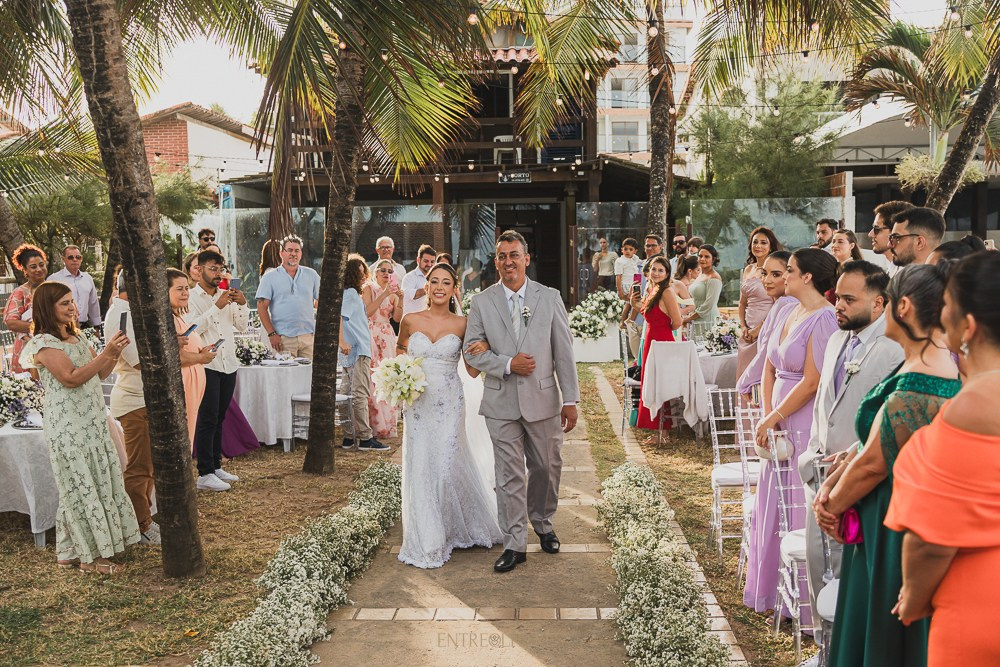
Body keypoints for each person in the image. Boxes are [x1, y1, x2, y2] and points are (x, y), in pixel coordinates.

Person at [815, 264, 960, 667]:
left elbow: (875, 464)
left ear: (905, 307)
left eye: (891, 301)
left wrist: (830, 503)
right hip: (893, 512)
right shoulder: (928, 364)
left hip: (891, 522)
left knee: (879, 633)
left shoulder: (919, 383)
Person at [886, 252, 1000, 666]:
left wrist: (913, 600)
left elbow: (932, 540)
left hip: (981, 606)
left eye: (947, 306)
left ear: (968, 327)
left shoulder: (974, 405)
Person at [796, 260, 903, 640]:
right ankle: (824, 649)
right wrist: (810, 456)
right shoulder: (837, 339)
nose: (837, 305)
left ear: (878, 304)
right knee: (815, 566)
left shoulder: (894, 350)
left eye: (848, 299)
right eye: (837, 296)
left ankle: (848, 651)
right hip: (818, 475)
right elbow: (825, 406)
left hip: (860, 480)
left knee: (850, 581)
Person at [464, 230, 580, 573]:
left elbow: (564, 352)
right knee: (509, 475)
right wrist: (505, 364)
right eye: (502, 256)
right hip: (500, 403)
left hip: (544, 399)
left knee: (547, 467)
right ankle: (515, 543)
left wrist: (570, 399)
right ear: (495, 261)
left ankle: (543, 523)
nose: (508, 261)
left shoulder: (550, 297)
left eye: (514, 255)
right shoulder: (482, 302)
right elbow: (473, 352)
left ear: (526, 259)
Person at [20, 282, 138, 574]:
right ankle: (90, 560)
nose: (72, 307)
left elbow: (99, 374)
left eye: (72, 301)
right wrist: (104, 353)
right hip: (68, 424)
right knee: (79, 485)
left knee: (86, 483)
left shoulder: (76, 335)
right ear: (48, 308)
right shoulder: (43, 343)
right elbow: (70, 378)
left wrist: (114, 352)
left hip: (93, 420)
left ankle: (68, 551)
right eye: (64, 303)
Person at [744, 248, 838, 615]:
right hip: (778, 421)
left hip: (801, 422)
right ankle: (770, 592)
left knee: (796, 505)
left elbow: (813, 381)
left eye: (790, 271)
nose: (783, 277)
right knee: (773, 501)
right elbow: (769, 363)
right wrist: (767, 414)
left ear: (808, 277)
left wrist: (777, 415)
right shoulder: (787, 309)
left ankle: (801, 603)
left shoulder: (825, 319)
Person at [395, 262, 503, 568]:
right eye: (434, 281)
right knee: (421, 466)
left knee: (443, 468)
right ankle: (430, 537)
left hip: (448, 402)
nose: (440, 287)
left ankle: (454, 527)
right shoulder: (410, 319)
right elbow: (400, 348)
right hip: (416, 403)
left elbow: (470, 369)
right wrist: (398, 376)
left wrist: (484, 348)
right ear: (426, 287)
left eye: (446, 282)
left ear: (454, 288)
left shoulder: (462, 323)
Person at [104, 270, 160, 546]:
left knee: (148, 465)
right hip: (133, 399)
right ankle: (139, 525)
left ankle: (146, 517)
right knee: (139, 467)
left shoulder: (131, 311)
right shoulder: (121, 315)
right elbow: (138, 360)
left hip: (143, 398)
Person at [187, 248, 249, 491]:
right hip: (207, 363)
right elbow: (192, 330)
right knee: (208, 417)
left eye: (220, 269)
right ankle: (204, 472)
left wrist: (243, 304)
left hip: (228, 363)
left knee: (221, 416)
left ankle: (215, 464)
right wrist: (217, 307)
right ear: (200, 270)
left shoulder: (227, 294)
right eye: (212, 269)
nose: (217, 274)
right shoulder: (191, 297)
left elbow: (242, 326)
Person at [339, 254, 388, 451]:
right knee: (359, 393)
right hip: (357, 349)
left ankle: (349, 436)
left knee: (347, 393)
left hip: (353, 348)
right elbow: (341, 317)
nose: (361, 277)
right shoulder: (350, 293)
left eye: (362, 273)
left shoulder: (350, 294)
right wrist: (342, 341)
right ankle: (366, 438)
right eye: (357, 273)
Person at [737, 251, 796, 404]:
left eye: (776, 275)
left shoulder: (785, 304)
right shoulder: (785, 303)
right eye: (764, 273)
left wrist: (744, 382)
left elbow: (766, 353)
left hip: (779, 385)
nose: (767, 280)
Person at [632, 256, 683, 431]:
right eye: (654, 269)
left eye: (661, 270)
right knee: (650, 382)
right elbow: (650, 313)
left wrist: (663, 330)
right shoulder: (651, 288)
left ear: (667, 273)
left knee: (660, 383)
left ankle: (663, 429)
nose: (656, 273)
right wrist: (634, 303)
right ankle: (652, 425)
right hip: (650, 340)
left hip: (662, 341)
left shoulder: (666, 291)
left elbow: (677, 321)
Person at [167, 268, 214, 445]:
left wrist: (201, 352)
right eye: (179, 289)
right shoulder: (167, 318)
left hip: (193, 382)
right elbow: (175, 357)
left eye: (187, 288)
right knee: (183, 434)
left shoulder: (178, 315)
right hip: (183, 382)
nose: (185, 293)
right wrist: (201, 358)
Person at [256, 234, 320, 358]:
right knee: (286, 377)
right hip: (283, 339)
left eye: (297, 250)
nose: (293, 254)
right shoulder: (269, 277)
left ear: (301, 254)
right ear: (281, 253)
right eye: (289, 250)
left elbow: (323, 301)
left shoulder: (311, 275)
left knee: (309, 377)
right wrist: (271, 334)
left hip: (308, 339)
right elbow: (261, 307)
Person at [364, 259, 404, 439]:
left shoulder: (393, 293)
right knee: (372, 378)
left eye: (390, 271)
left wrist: (400, 299)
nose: (386, 273)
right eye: (383, 270)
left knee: (387, 376)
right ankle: (373, 425)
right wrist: (383, 294)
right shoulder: (368, 288)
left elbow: (397, 318)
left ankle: (388, 425)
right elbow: (367, 312)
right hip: (371, 332)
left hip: (387, 334)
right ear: (376, 272)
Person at [737, 228, 780, 379]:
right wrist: (743, 327)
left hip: (767, 328)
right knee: (744, 373)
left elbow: (778, 305)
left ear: (770, 246)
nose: (758, 246)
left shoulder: (775, 271)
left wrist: (759, 329)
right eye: (755, 242)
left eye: (763, 242)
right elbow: (742, 303)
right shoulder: (748, 269)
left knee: (761, 375)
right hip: (746, 332)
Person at [4, 244, 47, 374]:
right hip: (27, 348)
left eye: (41, 264)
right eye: (33, 267)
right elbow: (11, 322)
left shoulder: (54, 289)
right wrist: (41, 328)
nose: (39, 269)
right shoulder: (20, 293)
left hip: (54, 346)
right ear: (25, 271)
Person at [48, 245, 101, 329]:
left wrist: (97, 327)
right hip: (63, 327)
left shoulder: (88, 278)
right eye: (70, 257)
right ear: (63, 259)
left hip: (85, 327)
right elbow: (48, 305)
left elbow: (93, 304)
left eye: (78, 257)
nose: (75, 259)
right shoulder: (54, 279)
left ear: (81, 259)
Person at [683, 244, 723, 335]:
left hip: (708, 320)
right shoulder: (700, 275)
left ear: (713, 259)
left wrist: (689, 318)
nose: (702, 259)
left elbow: (708, 305)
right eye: (700, 256)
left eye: (707, 257)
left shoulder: (714, 278)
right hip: (696, 319)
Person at [869, 201, 914, 274]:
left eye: (877, 229)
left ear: (895, 231)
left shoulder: (908, 274)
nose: (870, 234)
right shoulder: (892, 269)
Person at [401, 244, 437, 317]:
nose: (429, 264)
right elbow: (410, 295)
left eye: (432, 262)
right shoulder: (409, 277)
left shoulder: (436, 277)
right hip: (413, 322)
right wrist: (428, 288)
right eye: (426, 261)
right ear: (418, 260)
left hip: (431, 322)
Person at [671, 254, 699, 320]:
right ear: (690, 271)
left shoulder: (677, 282)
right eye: (698, 270)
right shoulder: (685, 286)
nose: (700, 273)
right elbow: (692, 307)